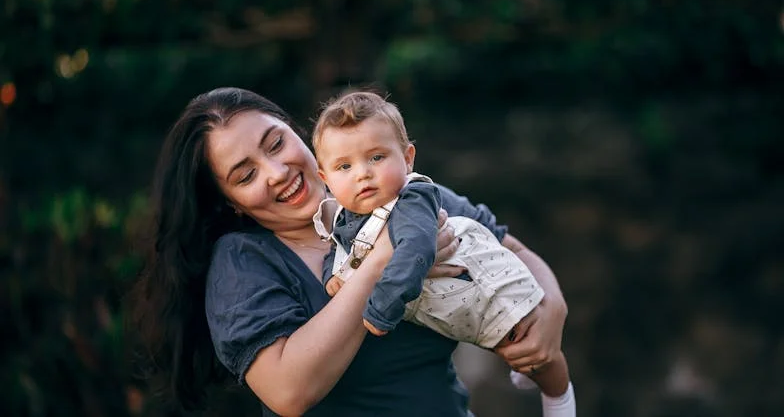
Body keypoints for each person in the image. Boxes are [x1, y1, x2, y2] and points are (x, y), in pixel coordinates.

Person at [128, 87, 569, 416]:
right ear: (230, 202)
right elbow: (288, 392)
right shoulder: (243, 260)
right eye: (246, 175)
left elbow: (512, 248)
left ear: (299, 135)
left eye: (276, 143)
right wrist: (379, 262)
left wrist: (552, 309)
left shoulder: (400, 195)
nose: (278, 172)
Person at [311, 90, 576, 417]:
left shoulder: (413, 200)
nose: (362, 173)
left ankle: (559, 398)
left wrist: (381, 310)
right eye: (344, 166)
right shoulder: (342, 218)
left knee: (530, 345)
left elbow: (415, 252)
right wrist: (332, 279)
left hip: (483, 289)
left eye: (377, 157)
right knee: (511, 350)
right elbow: (336, 252)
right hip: (447, 314)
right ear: (326, 178)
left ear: (407, 159)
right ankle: (527, 373)